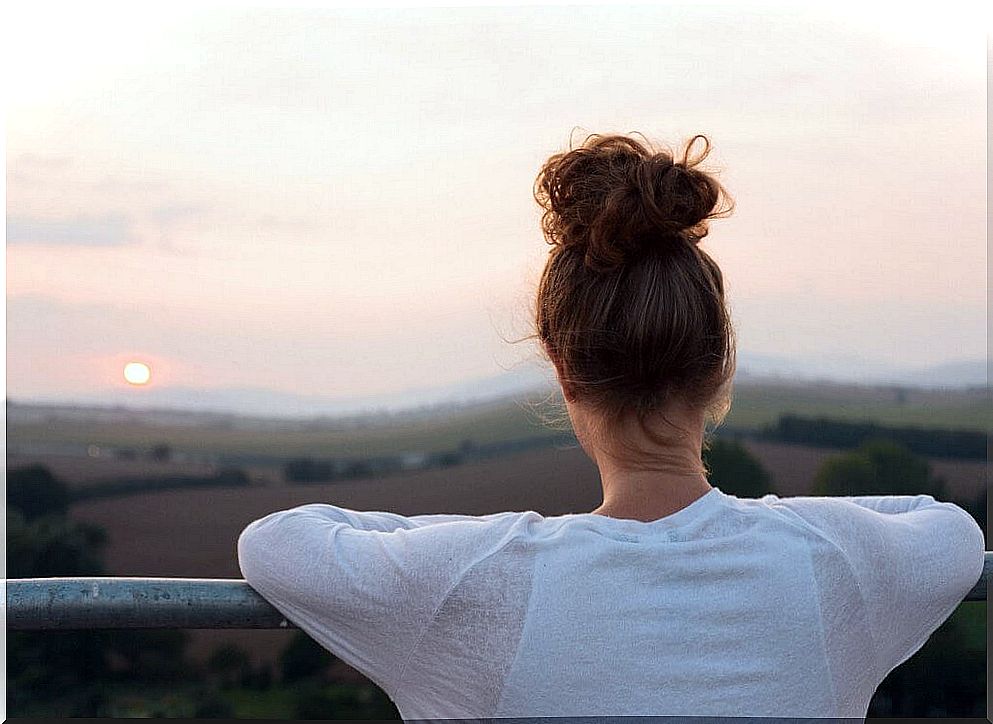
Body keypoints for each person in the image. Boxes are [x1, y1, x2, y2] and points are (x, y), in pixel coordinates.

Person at [237, 132, 985, 720]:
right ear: (719, 365)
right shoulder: (839, 564)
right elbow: (943, 526)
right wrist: (788, 521)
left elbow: (275, 541)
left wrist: (465, 539)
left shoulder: (471, 580)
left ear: (563, 374)